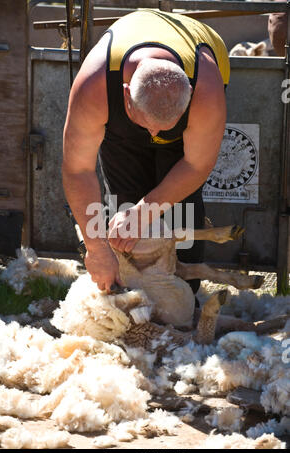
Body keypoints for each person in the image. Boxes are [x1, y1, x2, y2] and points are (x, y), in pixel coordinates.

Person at [62, 9, 230, 297]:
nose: (154, 135)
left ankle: (184, 297)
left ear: (189, 93)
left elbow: (196, 164)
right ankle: (132, 297)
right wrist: (97, 248)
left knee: (181, 213)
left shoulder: (206, 89)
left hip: (183, 114)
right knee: (124, 210)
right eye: (148, 127)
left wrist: (147, 210)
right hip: (121, 124)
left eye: (162, 128)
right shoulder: (95, 85)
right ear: (126, 94)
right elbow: (78, 170)